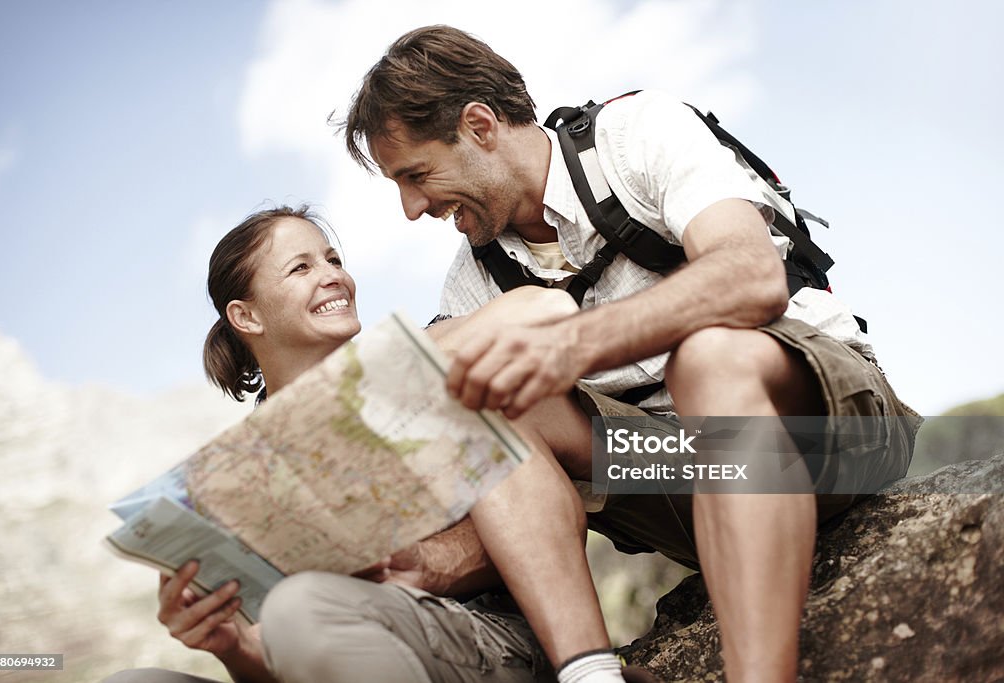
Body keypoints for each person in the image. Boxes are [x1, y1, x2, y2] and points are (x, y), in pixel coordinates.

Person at [342, 26, 922, 682]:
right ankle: (592, 674)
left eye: (415, 175)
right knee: (490, 399)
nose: (412, 207)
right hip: (689, 474)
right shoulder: (472, 278)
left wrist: (574, 340)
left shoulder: (635, 133)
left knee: (707, 358)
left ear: (479, 125)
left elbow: (751, 275)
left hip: (826, 431)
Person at [104, 205, 656, 683]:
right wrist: (227, 643)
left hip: (481, 636)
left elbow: (547, 310)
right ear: (246, 316)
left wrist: (385, 384)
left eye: (333, 260)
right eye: (301, 268)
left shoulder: (417, 362)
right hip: (341, 647)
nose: (333, 277)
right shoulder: (248, 473)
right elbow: (286, 664)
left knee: (301, 609)